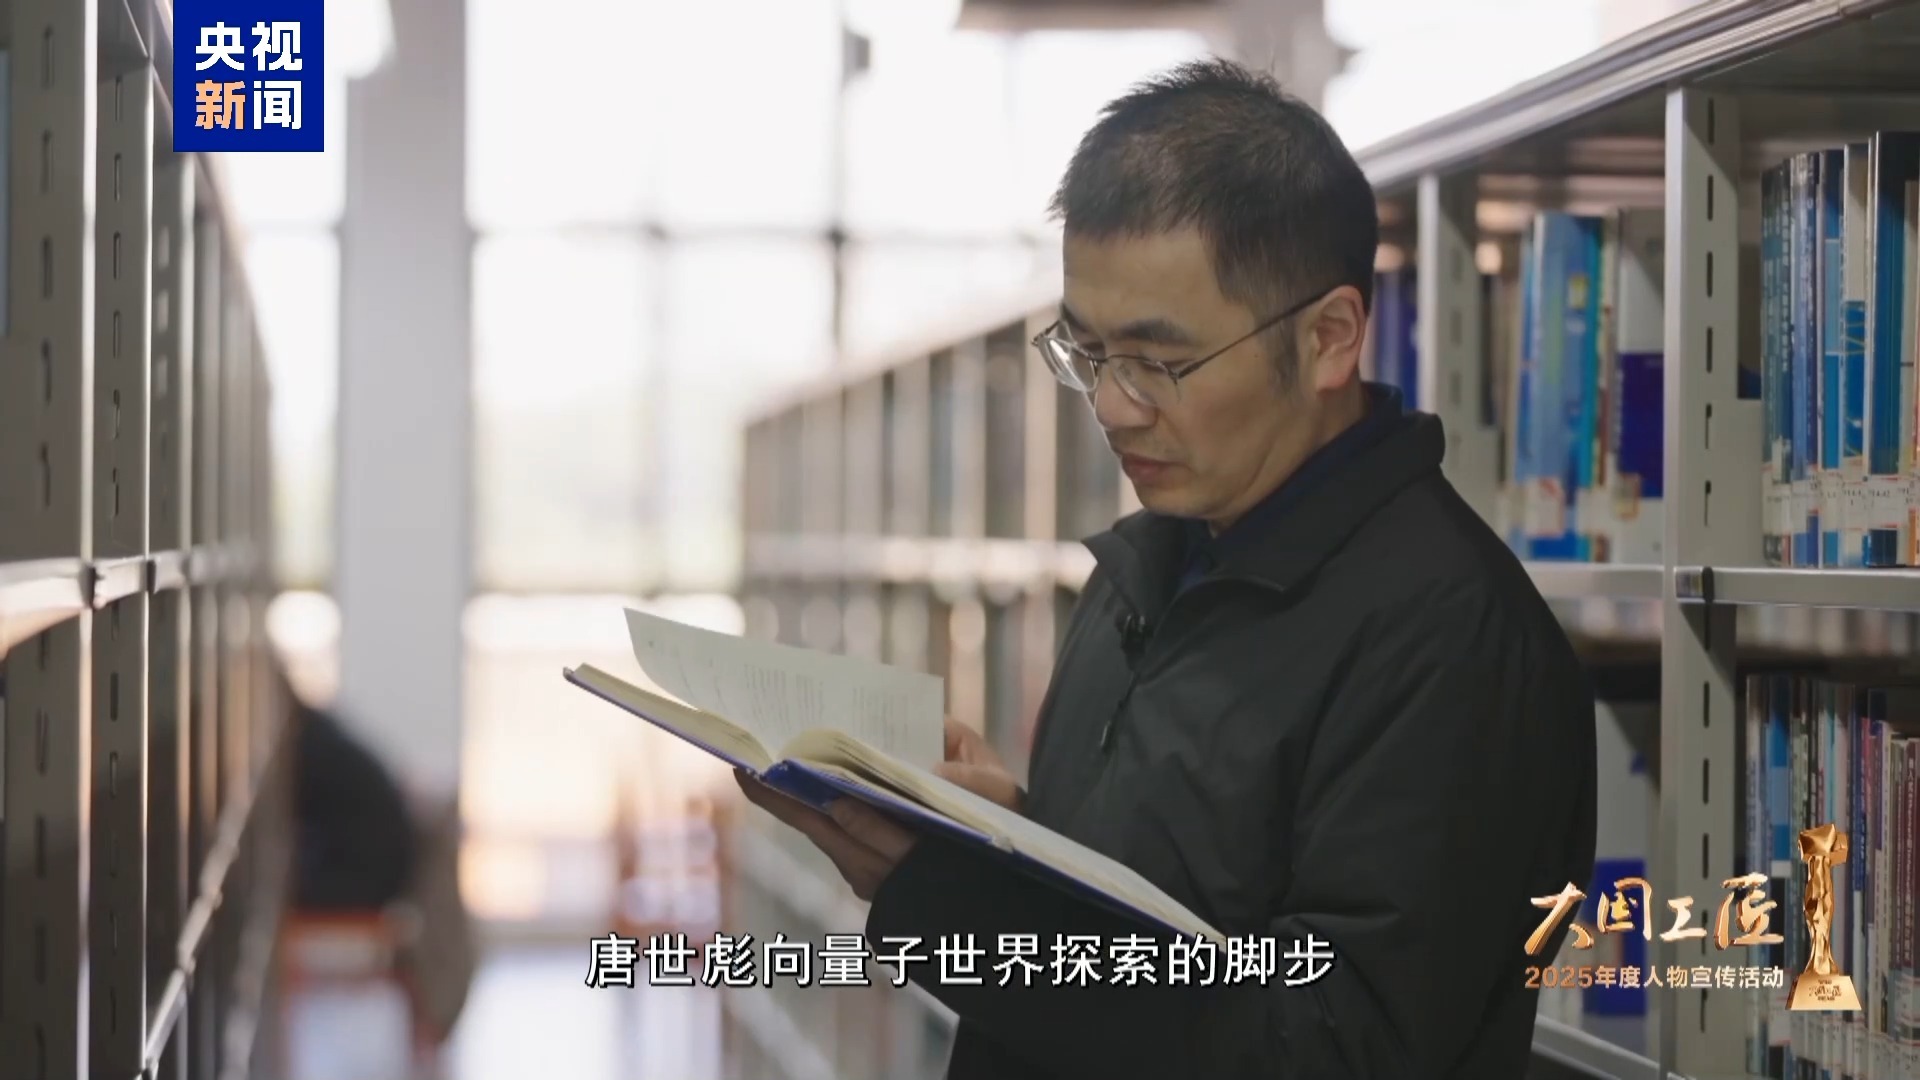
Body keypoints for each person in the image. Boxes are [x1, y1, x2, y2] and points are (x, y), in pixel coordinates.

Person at [737, 57, 1597, 1080]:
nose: (1112, 406)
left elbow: (1332, 1043)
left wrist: (953, 908)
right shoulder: (1151, 562)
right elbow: (1167, 904)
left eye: (1158, 362)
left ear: (1329, 338)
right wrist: (1003, 832)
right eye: (1087, 351)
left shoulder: (1451, 636)